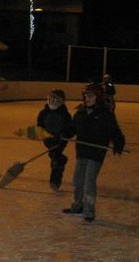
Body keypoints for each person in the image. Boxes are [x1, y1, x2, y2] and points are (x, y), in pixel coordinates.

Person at [62, 83, 125, 223]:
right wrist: (63, 135)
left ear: (98, 97)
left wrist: (118, 143)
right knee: (78, 180)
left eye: (90, 96)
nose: (87, 98)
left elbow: (114, 131)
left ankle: (89, 210)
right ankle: (78, 206)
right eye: (85, 96)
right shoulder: (81, 112)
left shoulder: (105, 114)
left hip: (96, 153)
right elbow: (72, 128)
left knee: (89, 181)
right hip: (82, 151)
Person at [36, 89, 72, 190]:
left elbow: (69, 129)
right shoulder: (43, 113)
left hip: (60, 141)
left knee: (55, 157)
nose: (53, 102)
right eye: (51, 99)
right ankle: (62, 159)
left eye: (56, 100)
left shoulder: (65, 115)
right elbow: (40, 126)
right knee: (54, 155)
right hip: (48, 140)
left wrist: (63, 136)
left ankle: (55, 181)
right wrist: (41, 134)